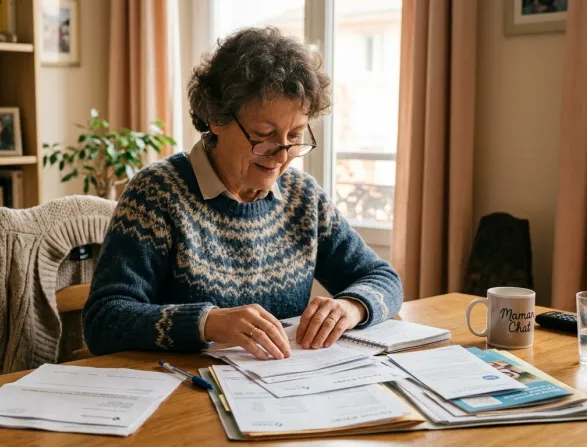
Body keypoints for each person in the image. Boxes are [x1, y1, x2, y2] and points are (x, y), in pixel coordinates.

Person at [84, 27, 403, 360]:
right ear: (216, 118)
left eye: (294, 136)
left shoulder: (303, 197)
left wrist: (352, 307)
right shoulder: (158, 193)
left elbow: (383, 278)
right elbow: (104, 320)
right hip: (184, 395)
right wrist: (207, 322)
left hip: (282, 390)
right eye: (264, 135)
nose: (282, 154)